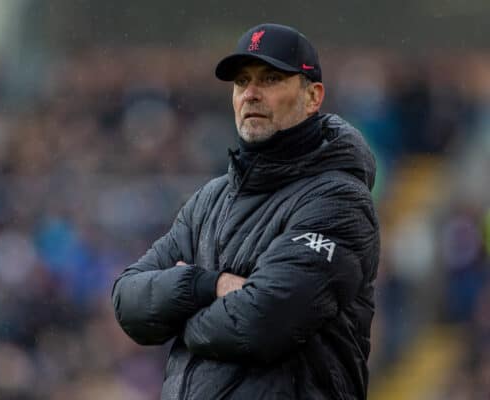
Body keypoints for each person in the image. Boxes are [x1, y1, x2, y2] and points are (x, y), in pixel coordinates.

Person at [112, 23, 379, 400]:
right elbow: (128, 300)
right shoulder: (210, 199)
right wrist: (207, 286)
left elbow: (263, 322)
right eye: (241, 82)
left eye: (270, 79)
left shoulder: (338, 199)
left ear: (313, 96)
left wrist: (177, 318)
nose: (251, 94)